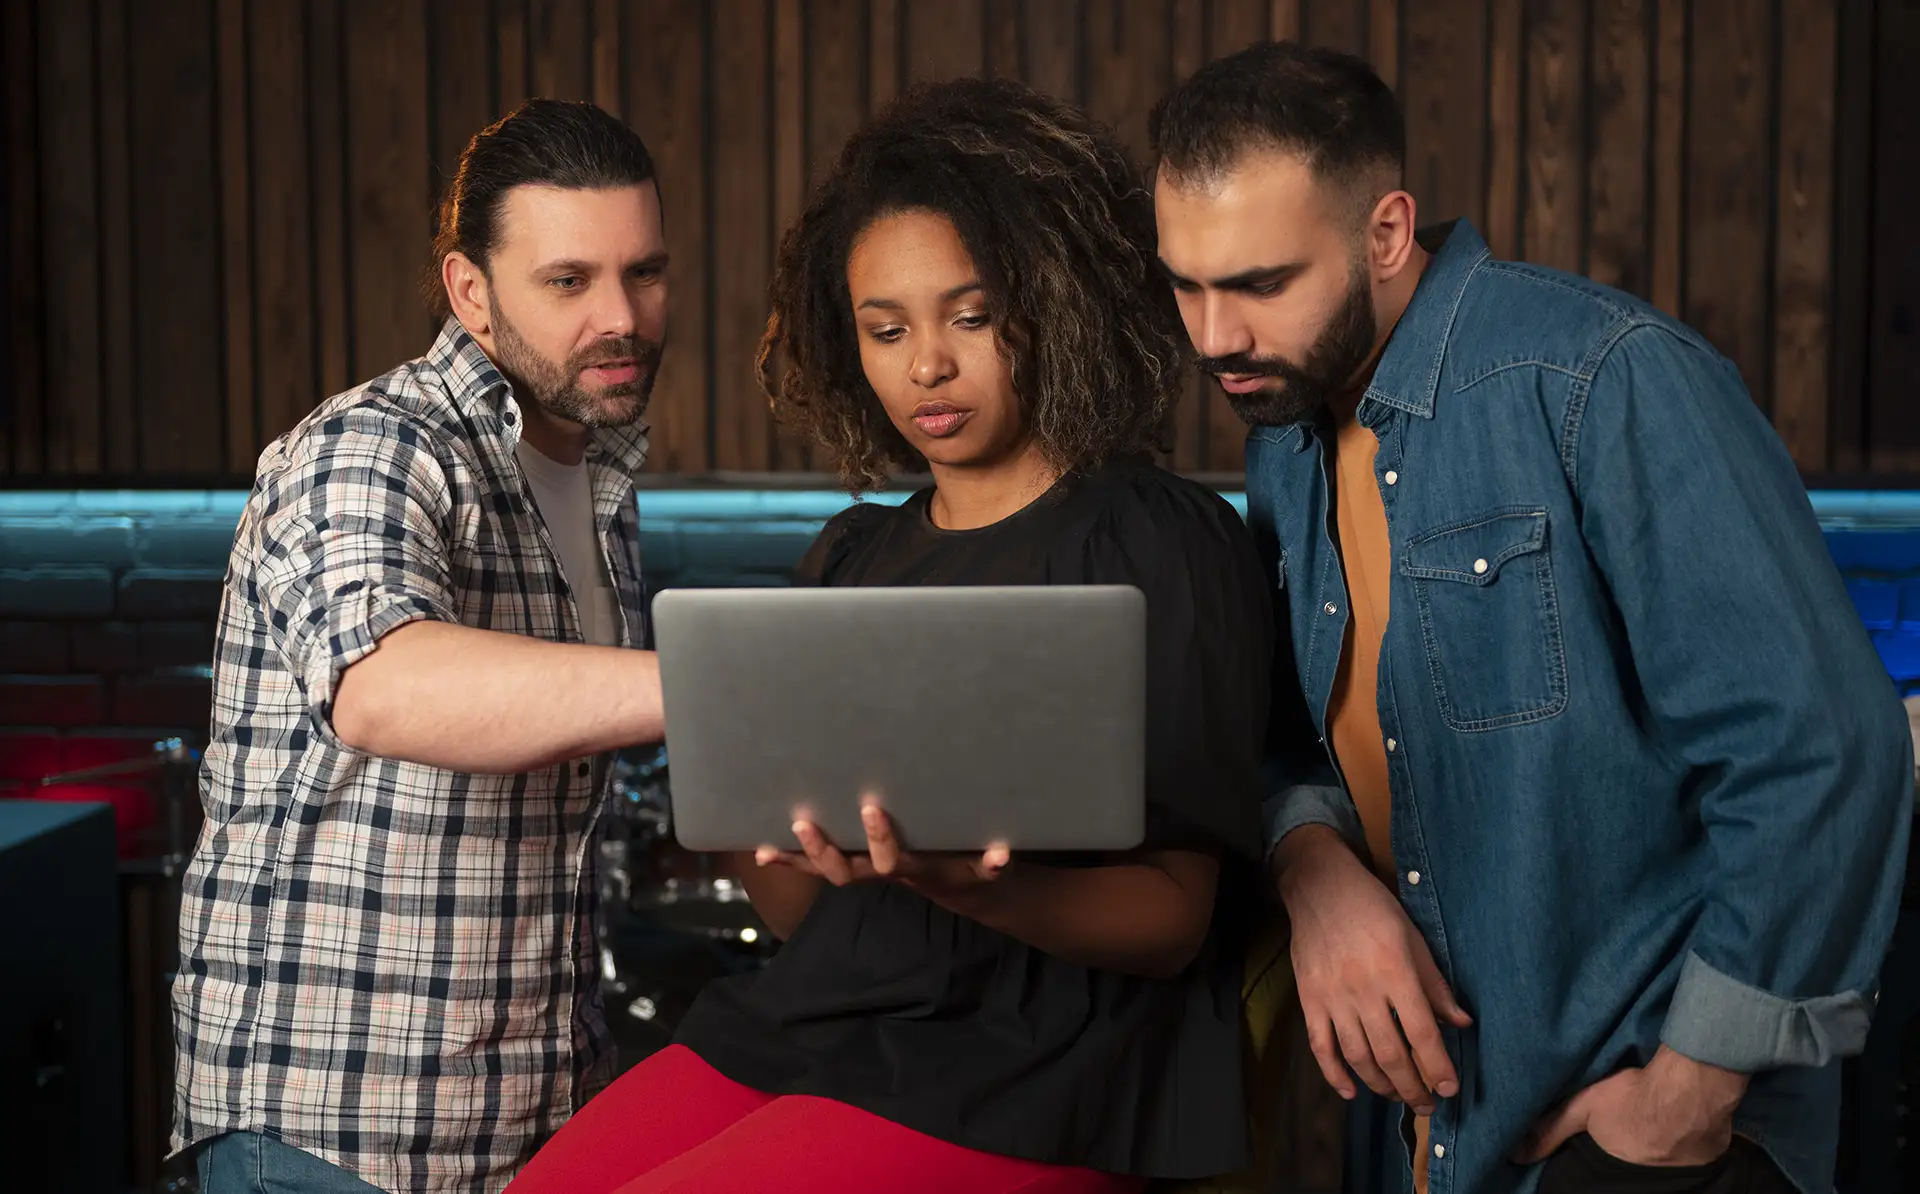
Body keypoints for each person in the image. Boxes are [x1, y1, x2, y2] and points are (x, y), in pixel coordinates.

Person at [1148, 40, 1913, 1194]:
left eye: (1259, 285)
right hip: (1458, 1135)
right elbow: (1292, 731)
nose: (1211, 336)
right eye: (1185, 283)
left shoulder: (1603, 380)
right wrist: (1313, 865)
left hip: (1660, 1142)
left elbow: (1826, 753)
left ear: (1387, 234)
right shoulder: (1287, 444)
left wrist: (1691, 1089)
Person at [507, 77, 1276, 1194]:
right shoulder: (854, 555)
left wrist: (973, 887)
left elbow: (1171, 921)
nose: (926, 366)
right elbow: (798, 910)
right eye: (886, 328)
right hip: (808, 1026)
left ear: (1055, 303)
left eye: (970, 316)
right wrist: (745, 813)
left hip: (1036, 1062)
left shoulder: (1158, 539)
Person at [172, 99, 673, 1193]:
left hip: (531, 1134)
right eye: (568, 281)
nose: (619, 316)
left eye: (644, 273)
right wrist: (724, 683)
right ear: (470, 293)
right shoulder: (372, 447)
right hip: (330, 1146)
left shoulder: (601, 492)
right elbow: (384, 684)